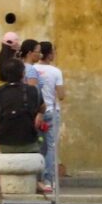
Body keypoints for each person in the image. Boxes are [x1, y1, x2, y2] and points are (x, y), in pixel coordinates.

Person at [0, 59, 45, 192]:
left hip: (4, 144)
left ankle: (1, 180)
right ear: (22, 73)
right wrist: (39, 115)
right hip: (29, 143)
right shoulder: (33, 91)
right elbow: (43, 107)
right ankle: (38, 181)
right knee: (40, 138)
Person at [35, 41, 65, 193]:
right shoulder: (56, 72)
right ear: (49, 54)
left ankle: (37, 179)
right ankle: (48, 180)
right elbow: (61, 95)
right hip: (51, 112)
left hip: (36, 114)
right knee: (51, 147)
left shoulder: (32, 69)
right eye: (53, 52)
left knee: (38, 146)